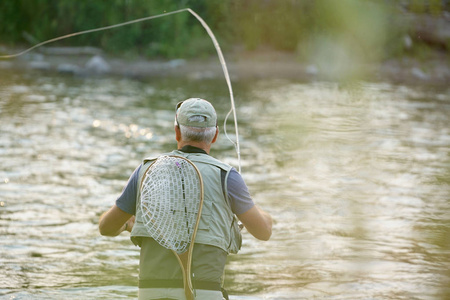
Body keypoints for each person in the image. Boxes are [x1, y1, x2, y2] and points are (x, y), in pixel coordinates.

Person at [99, 98, 272, 300]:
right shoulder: (228, 177)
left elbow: (106, 228)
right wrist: (254, 208)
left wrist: (128, 225)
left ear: (177, 132)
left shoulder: (146, 170)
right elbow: (263, 232)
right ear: (215, 135)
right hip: (205, 291)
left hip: (151, 291)